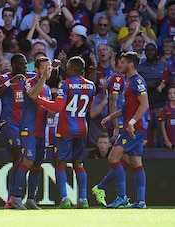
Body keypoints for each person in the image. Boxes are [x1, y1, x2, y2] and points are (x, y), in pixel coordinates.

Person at [33, 56, 95, 209]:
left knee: (60, 163)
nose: (66, 69)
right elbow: (88, 108)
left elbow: (57, 107)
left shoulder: (65, 84)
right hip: (82, 128)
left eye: (68, 66)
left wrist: (38, 99)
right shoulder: (91, 85)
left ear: (72, 69)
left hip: (66, 128)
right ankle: (83, 199)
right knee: (78, 163)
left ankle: (65, 198)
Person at [101, 51, 149, 209]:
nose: (119, 64)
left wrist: (132, 122)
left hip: (134, 128)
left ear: (130, 64)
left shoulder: (137, 81)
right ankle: (141, 201)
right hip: (132, 125)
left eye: (122, 62)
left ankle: (121, 197)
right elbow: (129, 108)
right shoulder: (128, 81)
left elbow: (145, 105)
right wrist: (110, 116)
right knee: (136, 162)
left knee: (113, 158)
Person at [10, 56, 52, 210]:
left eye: (49, 67)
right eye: (44, 67)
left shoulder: (47, 88)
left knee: (37, 165)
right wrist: (44, 79)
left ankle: (31, 199)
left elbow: (50, 110)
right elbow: (33, 95)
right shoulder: (29, 82)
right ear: (36, 69)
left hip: (41, 131)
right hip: (29, 130)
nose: (48, 70)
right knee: (27, 161)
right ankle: (16, 197)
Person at [0, 53, 31, 208]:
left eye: (26, 64)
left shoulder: (29, 77)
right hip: (8, 121)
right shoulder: (4, 78)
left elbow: (44, 76)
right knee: (17, 151)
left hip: (23, 123)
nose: (25, 67)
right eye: (22, 64)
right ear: (14, 65)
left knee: (21, 158)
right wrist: (9, 83)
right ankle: (13, 197)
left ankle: (12, 198)